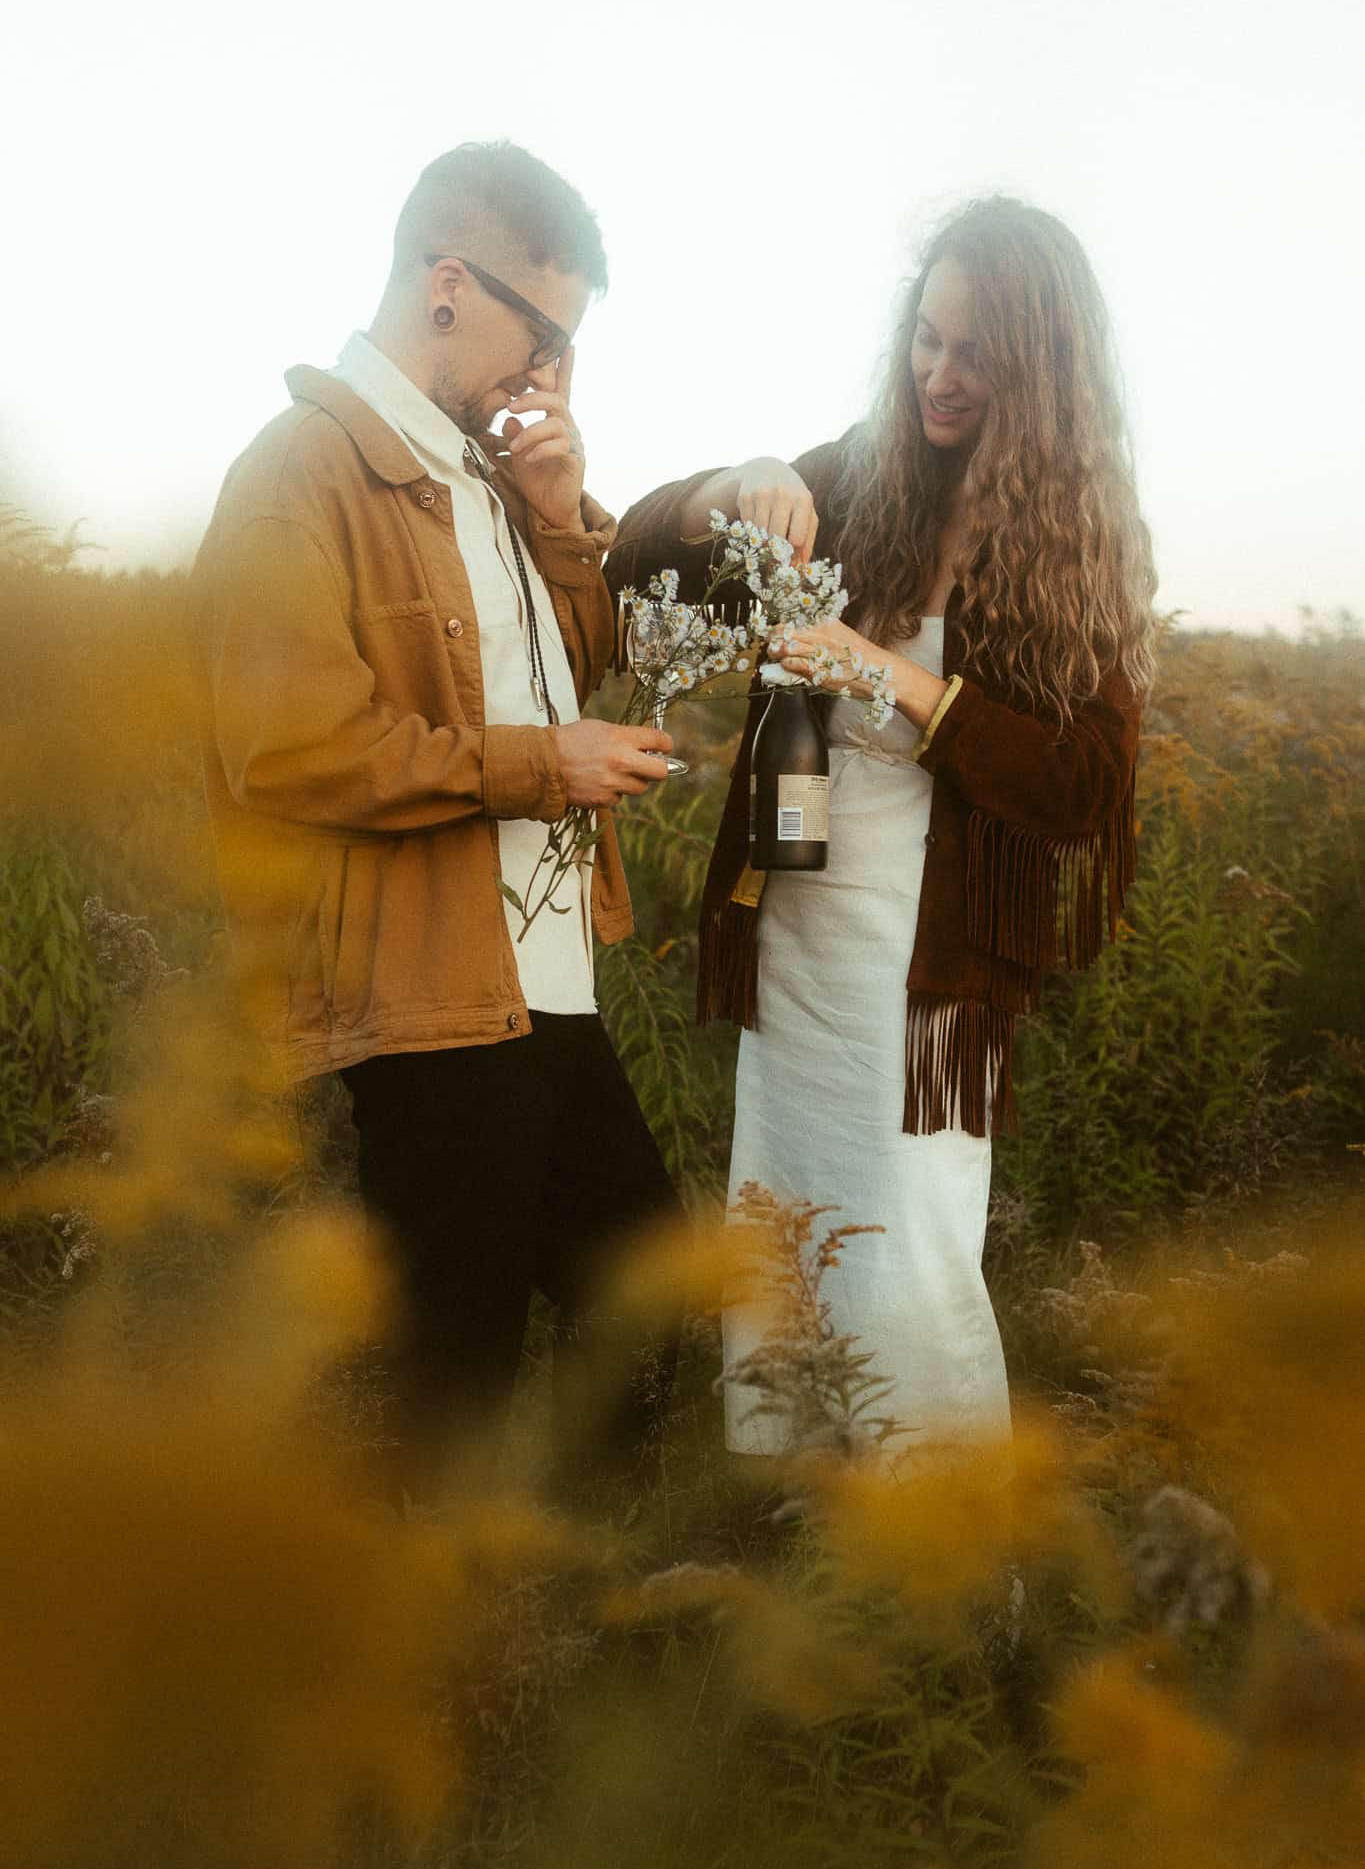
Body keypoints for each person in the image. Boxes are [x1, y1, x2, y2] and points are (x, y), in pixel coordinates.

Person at [606, 197, 1157, 1463]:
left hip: (928, 964)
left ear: (1042, 375)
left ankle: (939, 1540)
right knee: (786, 1211)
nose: (939, 376)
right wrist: (735, 484)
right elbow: (638, 561)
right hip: (797, 922)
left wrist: (889, 673)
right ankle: (793, 1500)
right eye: (926, 338)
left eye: (975, 355)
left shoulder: (1078, 547)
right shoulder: (860, 475)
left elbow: (1082, 786)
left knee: (907, 1240)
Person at [195, 142, 680, 1502]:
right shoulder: (302, 471)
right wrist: (542, 767)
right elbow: (288, 748)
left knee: (636, 1295)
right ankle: (429, 1674)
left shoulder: (482, 479)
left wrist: (562, 523)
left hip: (541, 978)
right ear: (449, 284)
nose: (552, 378)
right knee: (451, 1371)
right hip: (421, 986)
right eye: (547, 338)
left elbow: (573, 677)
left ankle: (580, 1624)